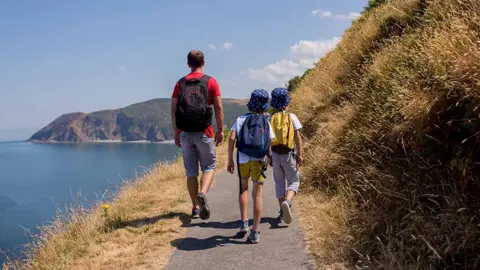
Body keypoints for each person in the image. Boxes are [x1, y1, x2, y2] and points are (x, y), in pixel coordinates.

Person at [171, 50, 224, 220]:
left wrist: (177, 132)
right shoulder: (211, 81)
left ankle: (194, 207)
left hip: (186, 132)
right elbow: (218, 108)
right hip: (205, 132)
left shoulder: (180, 83)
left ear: (188, 64)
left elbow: (173, 109)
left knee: (191, 172)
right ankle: (203, 193)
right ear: (204, 62)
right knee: (209, 167)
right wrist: (221, 130)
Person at [227, 89, 275, 244]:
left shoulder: (240, 119)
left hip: (243, 159)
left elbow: (232, 137)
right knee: (258, 195)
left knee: (243, 189)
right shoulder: (266, 121)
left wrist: (230, 160)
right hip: (259, 160)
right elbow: (270, 142)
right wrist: (270, 157)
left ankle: (243, 222)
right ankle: (255, 232)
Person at [269, 87, 303, 225]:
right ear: (286, 102)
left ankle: (282, 212)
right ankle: (287, 202)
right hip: (289, 154)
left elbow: (268, 139)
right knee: (294, 181)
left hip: (275, 155)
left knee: (279, 183)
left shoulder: (271, 118)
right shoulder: (292, 116)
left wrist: (269, 156)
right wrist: (300, 154)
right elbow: (297, 137)